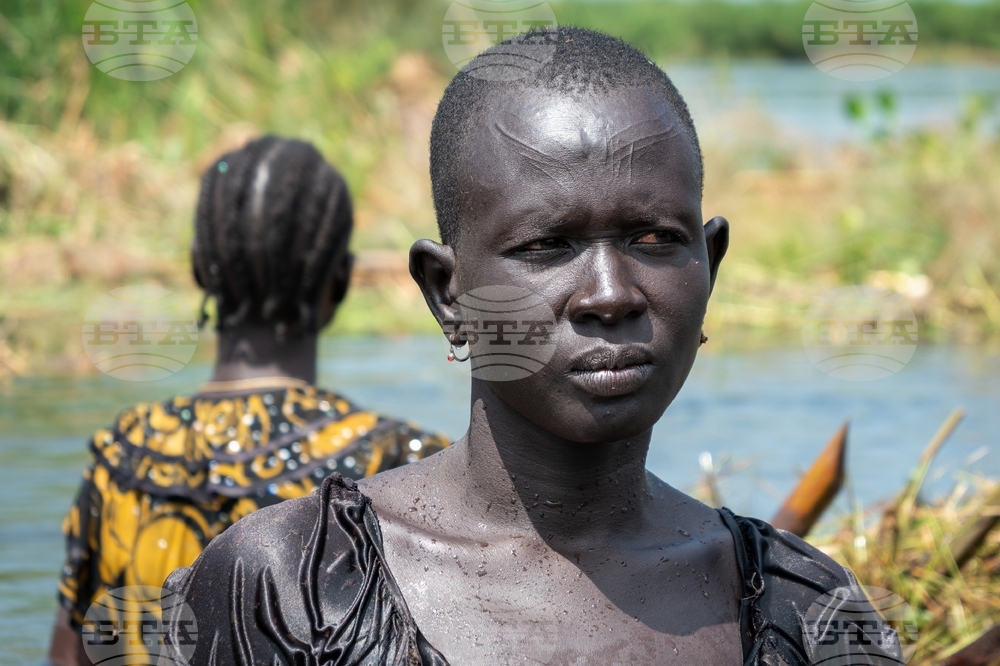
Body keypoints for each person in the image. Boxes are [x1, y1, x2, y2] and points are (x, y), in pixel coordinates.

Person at [164, 30, 901, 665]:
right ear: (447, 293)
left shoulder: (807, 613)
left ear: (711, 267)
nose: (610, 293)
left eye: (654, 240)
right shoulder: (290, 587)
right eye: (548, 245)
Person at [47, 137, 449, 666]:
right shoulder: (401, 461)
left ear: (198, 270)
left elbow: (68, 655)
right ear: (341, 282)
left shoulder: (123, 456)